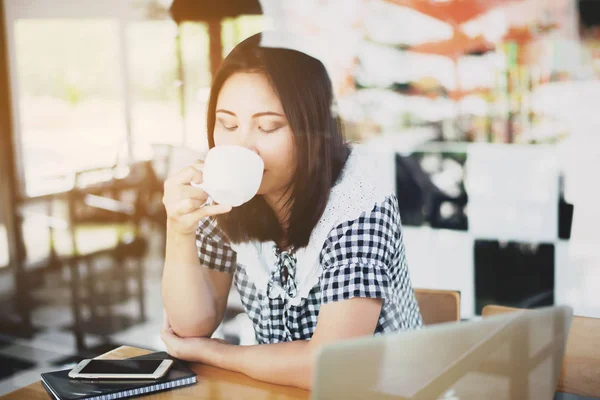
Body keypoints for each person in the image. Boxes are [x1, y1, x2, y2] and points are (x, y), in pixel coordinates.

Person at [161, 33, 422, 390]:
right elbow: (192, 326)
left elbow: (332, 364)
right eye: (228, 124)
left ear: (311, 131)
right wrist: (178, 229)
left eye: (268, 126)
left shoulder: (358, 199)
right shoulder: (226, 190)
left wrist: (215, 353)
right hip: (282, 390)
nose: (242, 147)